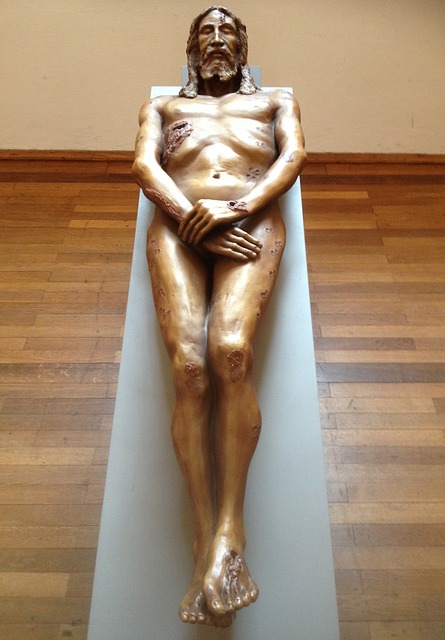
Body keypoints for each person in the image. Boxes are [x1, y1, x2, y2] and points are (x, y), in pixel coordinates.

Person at [132, 5, 306, 627]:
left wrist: (239, 207)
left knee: (230, 352)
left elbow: (292, 157)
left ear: (241, 46)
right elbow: (144, 165)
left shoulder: (275, 100)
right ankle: (205, 544)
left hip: (249, 223)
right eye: (205, 31)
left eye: (226, 30)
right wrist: (189, 217)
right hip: (179, 227)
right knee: (189, 368)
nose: (216, 39)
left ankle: (232, 530)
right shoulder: (162, 107)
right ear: (192, 48)